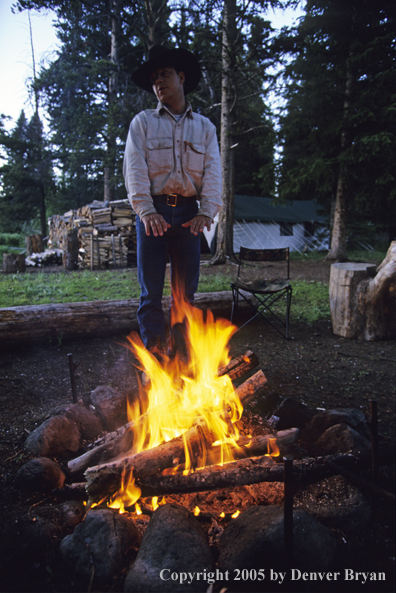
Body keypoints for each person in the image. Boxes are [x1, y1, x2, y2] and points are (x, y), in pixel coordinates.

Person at [123, 45, 222, 353]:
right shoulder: (143, 123)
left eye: (164, 74)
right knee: (150, 293)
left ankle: (180, 359)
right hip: (154, 215)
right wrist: (145, 210)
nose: (158, 82)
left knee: (185, 295)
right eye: (153, 78)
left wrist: (208, 212)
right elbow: (134, 168)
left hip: (190, 217)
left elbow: (213, 170)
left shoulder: (204, 127)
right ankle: (153, 359)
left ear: (181, 77)